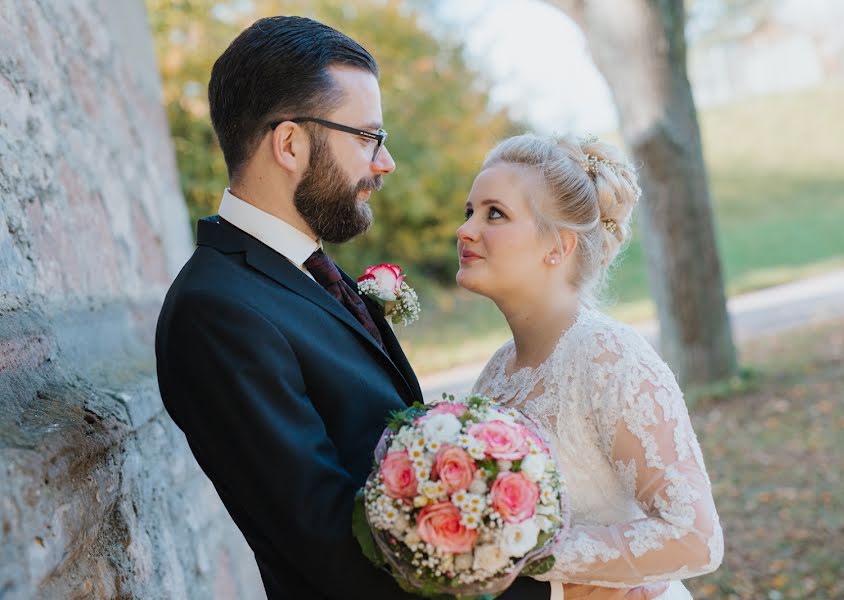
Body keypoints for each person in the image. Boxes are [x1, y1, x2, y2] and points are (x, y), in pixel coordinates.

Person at [155, 16, 566, 600]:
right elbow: (330, 550)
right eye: (367, 138)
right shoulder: (217, 312)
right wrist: (555, 595)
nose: (385, 163)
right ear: (291, 143)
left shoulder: (300, 271)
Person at [457, 134, 725, 599]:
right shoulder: (498, 372)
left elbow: (696, 537)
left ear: (557, 246)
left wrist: (530, 557)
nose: (465, 230)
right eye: (469, 212)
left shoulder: (607, 357)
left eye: (494, 214)